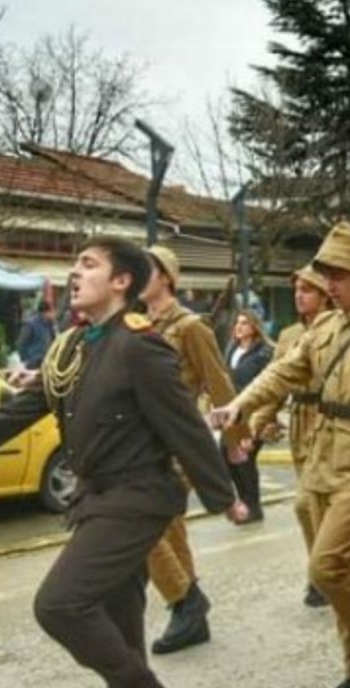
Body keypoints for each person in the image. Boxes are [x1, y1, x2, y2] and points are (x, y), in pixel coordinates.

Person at [0, 236, 246, 688]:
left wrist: (224, 495)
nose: (75, 273)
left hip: (137, 498)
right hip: (96, 497)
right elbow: (21, 408)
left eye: (88, 264)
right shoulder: (73, 347)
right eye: (75, 264)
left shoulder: (140, 346)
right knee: (121, 622)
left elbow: (184, 425)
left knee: (58, 605)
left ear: (121, 281)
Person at [211, 221, 350, 688]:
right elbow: (282, 372)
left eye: (337, 275)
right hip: (321, 460)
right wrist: (239, 406)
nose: (328, 284)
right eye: (325, 275)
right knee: (345, 572)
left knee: (326, 566)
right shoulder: (325, 326)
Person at [141, 245, 250, 655]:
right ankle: (191, 618)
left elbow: (219, 384)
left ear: (166, 277)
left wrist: (237, 440)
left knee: (142, 525)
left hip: (175, 441)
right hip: (143, 440)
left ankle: (184, 601)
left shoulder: (190, 327)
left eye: (145, 269)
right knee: (169, 528)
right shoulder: (136, 324)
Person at [249, 266, 334, 608]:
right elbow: (277, 381)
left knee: (310, 503)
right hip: (300, 419)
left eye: (308, 290)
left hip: (330, 419)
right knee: (309, 505)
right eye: (297, 289)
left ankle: (329, 571)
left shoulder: (341, 329)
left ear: (326, 294)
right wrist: (260, 421)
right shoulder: (288, 335)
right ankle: (323, 571)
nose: (299, 295)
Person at [225, 309, 275, 521]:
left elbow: (269, 386)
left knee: (245, 459)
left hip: (254, 414)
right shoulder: (232, 349)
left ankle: (252, 507)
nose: (239, 327)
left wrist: (265, 419)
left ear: (254, 327)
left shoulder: (264, 352)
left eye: (244, 323)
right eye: (237, 323)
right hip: (232, 413)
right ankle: (246, 503)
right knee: (230, 458)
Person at [16, 301, 58, 369]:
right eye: (53, 312)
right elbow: (21, 343)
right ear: (46, 312)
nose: (55, 314)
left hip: (46, 361)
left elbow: (54, 342)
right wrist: (25, 360)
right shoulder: (31, 325)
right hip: (32, 361)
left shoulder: (50, 326)